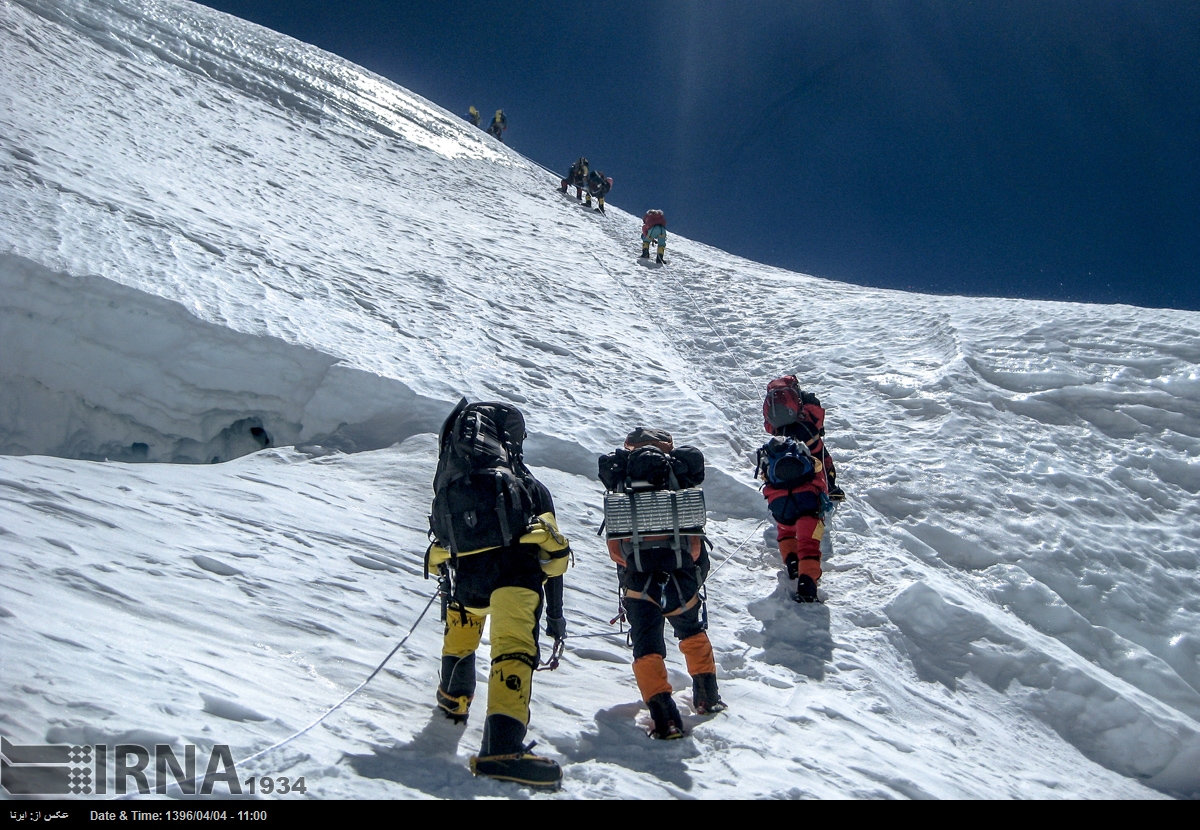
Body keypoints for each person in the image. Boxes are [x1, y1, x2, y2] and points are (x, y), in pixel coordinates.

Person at [426, 400, 570, 790]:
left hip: (467, 579)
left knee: (463, 631)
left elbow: (443, 540)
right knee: (512, 649)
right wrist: (555, 617)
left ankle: (453, 696)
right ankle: (502, 747)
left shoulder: (454, 482)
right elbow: (552, 555)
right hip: (515, 578)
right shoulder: (530, 487)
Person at [600, 427, 726, 740]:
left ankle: (664, 716)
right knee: (691, 630)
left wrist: (639, 564)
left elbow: (616, 550)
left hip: (638, 580)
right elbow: (695, 547)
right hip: (681, 575)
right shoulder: (680, 482)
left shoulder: (622, 486)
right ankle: (707, 697)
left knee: (646, 644)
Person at [756, 378, 844, 603]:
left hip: (780, 505)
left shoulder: (774, 443)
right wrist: (830, 487)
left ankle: (792, 563)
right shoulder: (806, 426)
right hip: (808, 502)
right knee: (809, 543)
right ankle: (807, 584)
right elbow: (824, 460)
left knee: (786, 532)